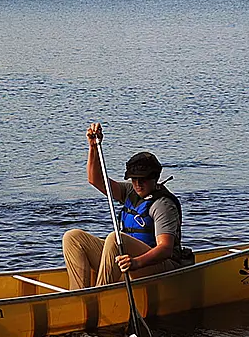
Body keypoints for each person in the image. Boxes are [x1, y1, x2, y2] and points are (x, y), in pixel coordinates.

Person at [61, 123, 194, 290]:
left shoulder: (163, 205)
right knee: (73, 237)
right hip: (131, 260)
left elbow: (165, 250)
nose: (138, 183)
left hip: (161, 266)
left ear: (155, 178)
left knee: (115, 239)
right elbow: (95, 180)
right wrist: (93, 147)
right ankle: (78, 295)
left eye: (143, 179)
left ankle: (101, 294)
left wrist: (136, 262)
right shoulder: (130, 191)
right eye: (134, 178)